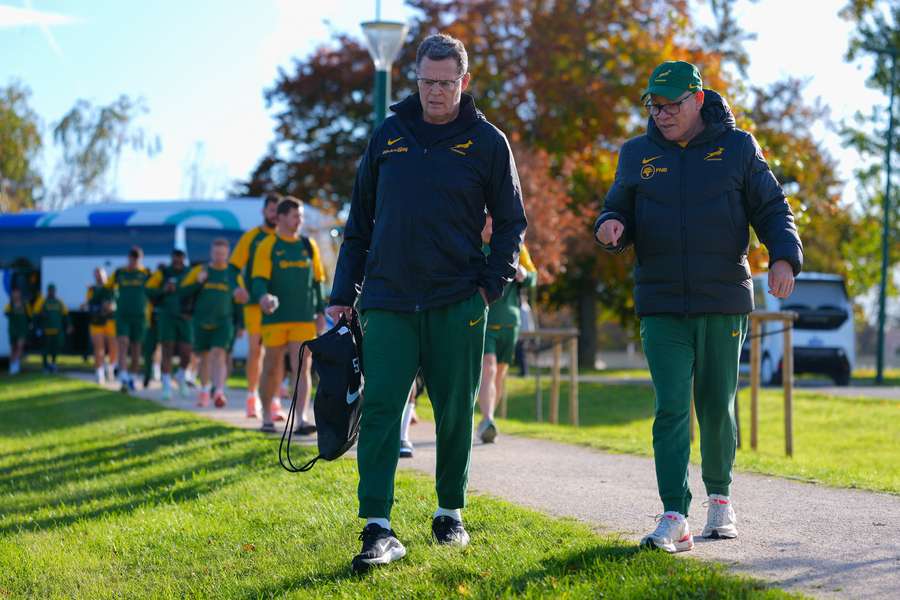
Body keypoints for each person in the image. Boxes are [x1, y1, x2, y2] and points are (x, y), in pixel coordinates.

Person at [328, 33, 527, 573]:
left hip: (457, 300)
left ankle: (449, 514)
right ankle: (378, 528)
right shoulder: (388, 136)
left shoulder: (488, 142)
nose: (435, 92)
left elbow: (511, 222)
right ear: (413, 79)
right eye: (425, 82)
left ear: (463, 82)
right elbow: (358, 224)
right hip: (388, 298)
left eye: (445, 83)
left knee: (456, 412)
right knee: (380, 412)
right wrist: (341, 296)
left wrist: (491, 285)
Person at [594, 60, 802, 553]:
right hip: (660, 300)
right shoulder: (637, 154)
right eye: (654, 105)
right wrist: (609, 226)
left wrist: (784, 257)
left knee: (716, 405)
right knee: (670, 407)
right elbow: (616, 205)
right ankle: (674, 516)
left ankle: (720, 501)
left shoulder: (738, 148)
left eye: (671, 105)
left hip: (723, 297)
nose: (661, 114)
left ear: (698, 100)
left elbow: (772, 207)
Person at [251, 196, 327, 434]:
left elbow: (318, 282)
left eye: (301, 216)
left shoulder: (308, 245)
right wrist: (263, 297)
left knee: (302, 367)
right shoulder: (268, 245)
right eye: (296, 216)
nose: (300, 221)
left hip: (304, 317)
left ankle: (301, 419)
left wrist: (320, 312)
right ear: (281, 217)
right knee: (272, 366)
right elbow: (258, 281)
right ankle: (266, 417)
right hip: (275, 318)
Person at [476, 215, 537, 443]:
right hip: (485, 320)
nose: (491, 228)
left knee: (500, 374)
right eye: (487, 223)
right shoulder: (472, 246)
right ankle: (488, 418)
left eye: (494, 222)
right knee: (488, 368)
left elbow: (534, 276)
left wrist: (525, 274)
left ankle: (486, 419)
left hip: (510, 322)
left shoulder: (516, 246)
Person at [180, 239, 249, 407]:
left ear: (228, 255)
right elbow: (181, 292)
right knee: (204, 357)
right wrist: (198, 282)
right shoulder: (200, 270)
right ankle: (204, 391)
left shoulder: (233, 275)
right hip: (200, 321)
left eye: (223, 254)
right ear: (211, 253)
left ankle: (218, 391)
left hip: (224, 321)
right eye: (216, 253)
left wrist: (241, 324)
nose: (219, 257)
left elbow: (240, 300)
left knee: (219, 354)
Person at [230, 193, 280, 418]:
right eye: (271, 210)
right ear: (264, 211)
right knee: (255, 350)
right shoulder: (251, 237)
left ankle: (274, 399)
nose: (275, 215)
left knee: (277, 353)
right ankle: (252, 397)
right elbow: (232, 268)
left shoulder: (286, 238)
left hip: (281, 305)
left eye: (278, 211)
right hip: (254, 304)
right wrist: (238, 287)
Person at [146, 249, 194, 400]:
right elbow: (148, 290)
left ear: (184, 258)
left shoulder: (189, 272)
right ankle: (166, 384)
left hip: (185, 316)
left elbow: (196, 290)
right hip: (166, 316)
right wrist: (163, 290)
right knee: (167, 349)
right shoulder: (163, 272)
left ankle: (181, 375)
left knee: (187, 351)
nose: (177, 260)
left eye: (180, 257)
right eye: (175, 257)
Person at [110, 246, 151, 392]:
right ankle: (123, 376)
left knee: (136, 348)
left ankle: (133, 376)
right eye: (131, 258)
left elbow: (153, 290)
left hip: (139, 316)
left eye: (136, 259)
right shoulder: (119, 273)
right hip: (122, 315)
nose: (133, 261)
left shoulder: (146, 273)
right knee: (123, 343)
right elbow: (108, 288)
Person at [84, 267, 117, 384]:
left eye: (101, 274)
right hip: (97, 322)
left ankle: (111, 369)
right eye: (97, 275)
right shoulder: (92, 290)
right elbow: (88, 305)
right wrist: (99, 309)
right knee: (99, 348)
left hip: (110, 321)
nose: (99, 277)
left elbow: (116, 301)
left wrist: (111, 307)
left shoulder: (111, 287)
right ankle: (100, 372)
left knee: (113, 348)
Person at [33, 283, 71, 373]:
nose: (52, 292)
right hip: (46, 330)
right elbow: (35, 314)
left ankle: (53, 364)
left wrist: (69, 325)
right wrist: (37, 327)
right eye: (50, 290)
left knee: (55, 348)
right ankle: (45, 366)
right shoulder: (42, 301)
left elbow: (65, 315)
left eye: (53, 290)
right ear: (48, 291)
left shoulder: (59, 302)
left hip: (57, 330)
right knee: (45, 349)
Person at [4, 288, 31, 375]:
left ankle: (15, 366)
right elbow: (6, 313)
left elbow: (30, 316)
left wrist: (29, 325)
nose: (15, 295)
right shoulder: (10, 305)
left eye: (17, 293)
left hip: (22, 330)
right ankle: (12, 367)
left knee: (20, 347)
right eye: (14, 293)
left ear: (20, 294)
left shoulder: (25, 305)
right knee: (13, 348)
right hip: (12, 330)